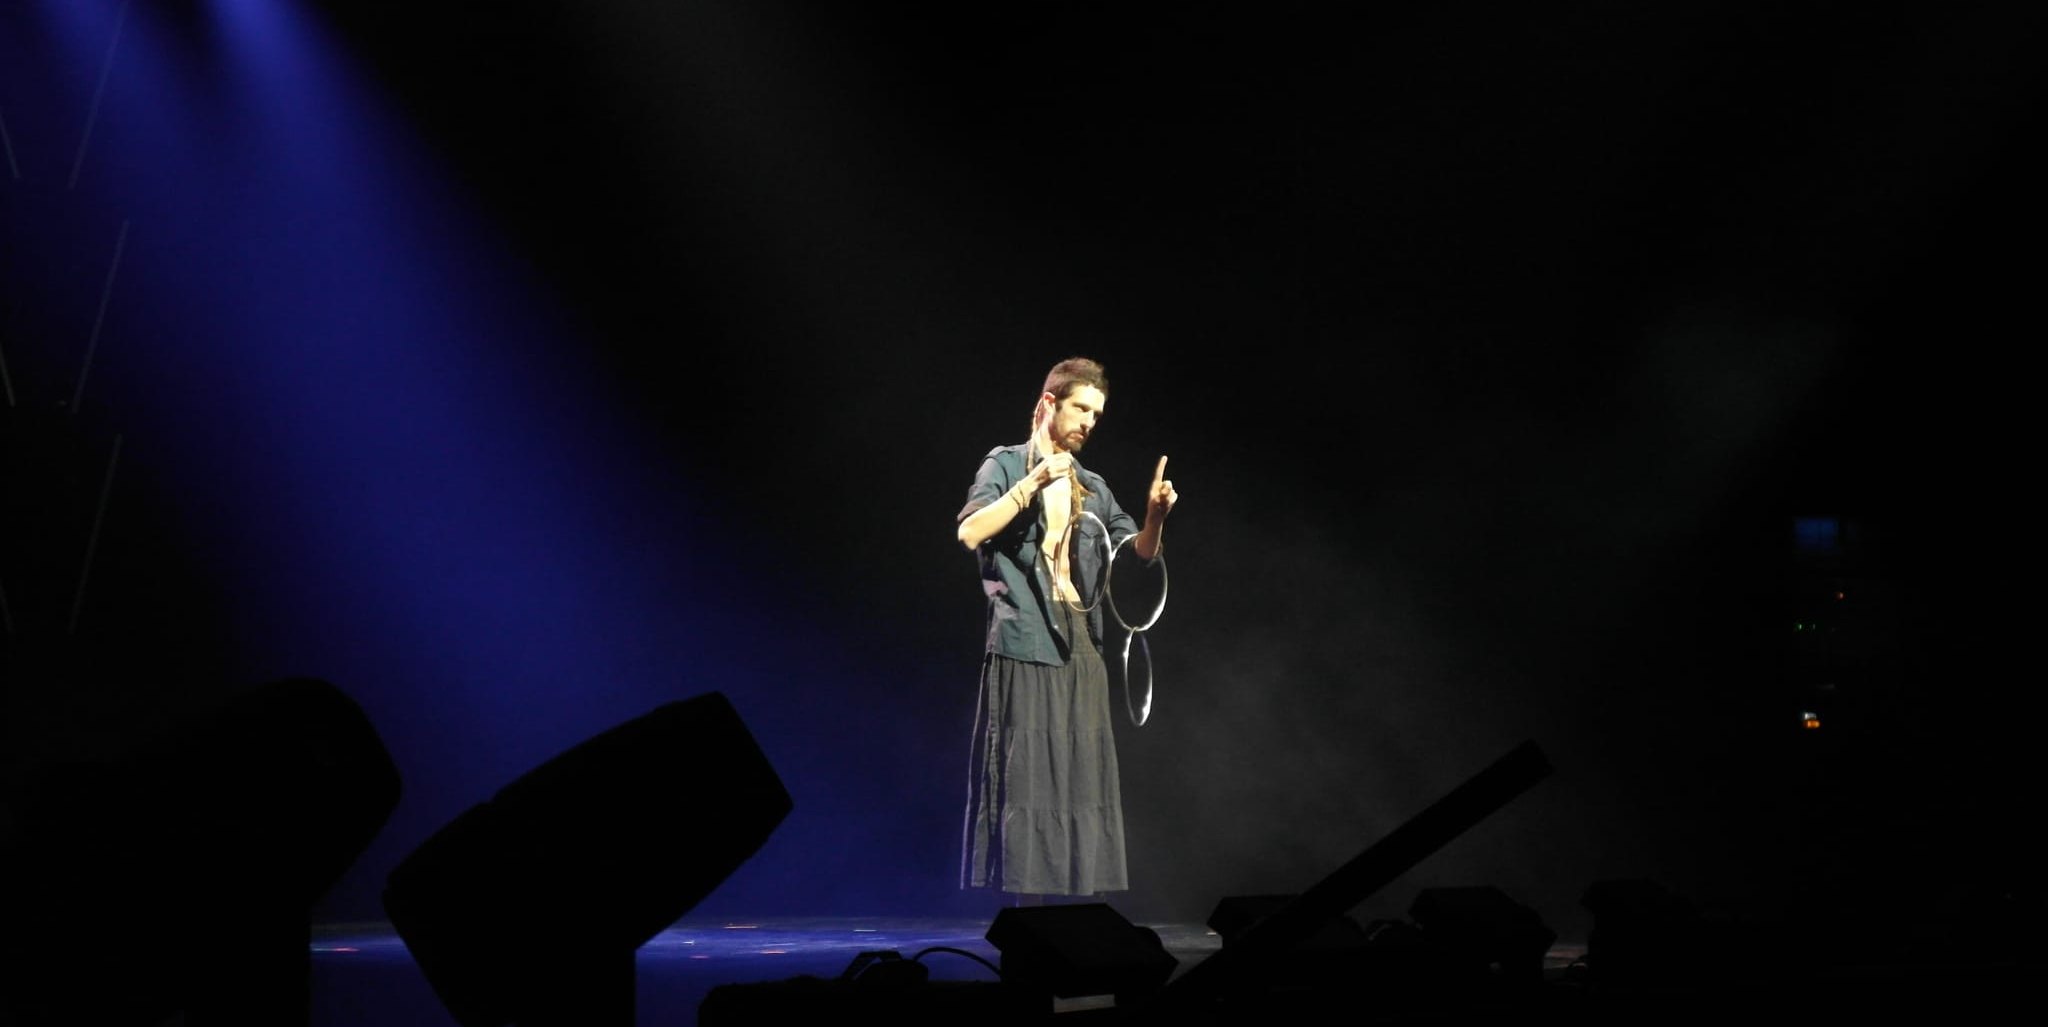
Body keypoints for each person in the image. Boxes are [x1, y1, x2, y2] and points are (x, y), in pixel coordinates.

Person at [956, 356, 1178, 903]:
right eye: (1081, 409)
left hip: (1081, 640)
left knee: (1079, 776)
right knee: (1028, 776)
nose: (1089, 422)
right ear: (1048, 403)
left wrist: (1154, 517)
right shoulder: (1006, 464)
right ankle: (1025, 906)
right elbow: (970, 532)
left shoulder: (1092, 485)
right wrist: (1031, 484)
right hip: (1026, 635)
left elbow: (1136, 554)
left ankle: (1074, 909)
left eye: (1096, 415)